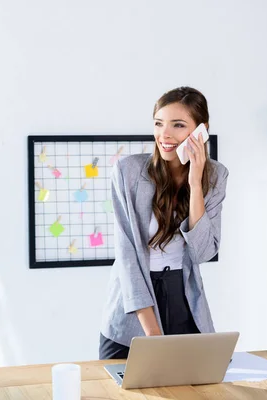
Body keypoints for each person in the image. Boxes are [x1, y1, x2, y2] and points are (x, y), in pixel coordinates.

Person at [99, 86, 229, 360]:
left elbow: (203, 252)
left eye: (178, 125)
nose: (165, 135)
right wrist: (153, 337)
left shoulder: (215, 176)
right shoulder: (128, 172)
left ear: (201, 130)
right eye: (159, 124)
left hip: (183, 298)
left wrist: (195, 183)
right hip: (134, 306)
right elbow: (127, 258)